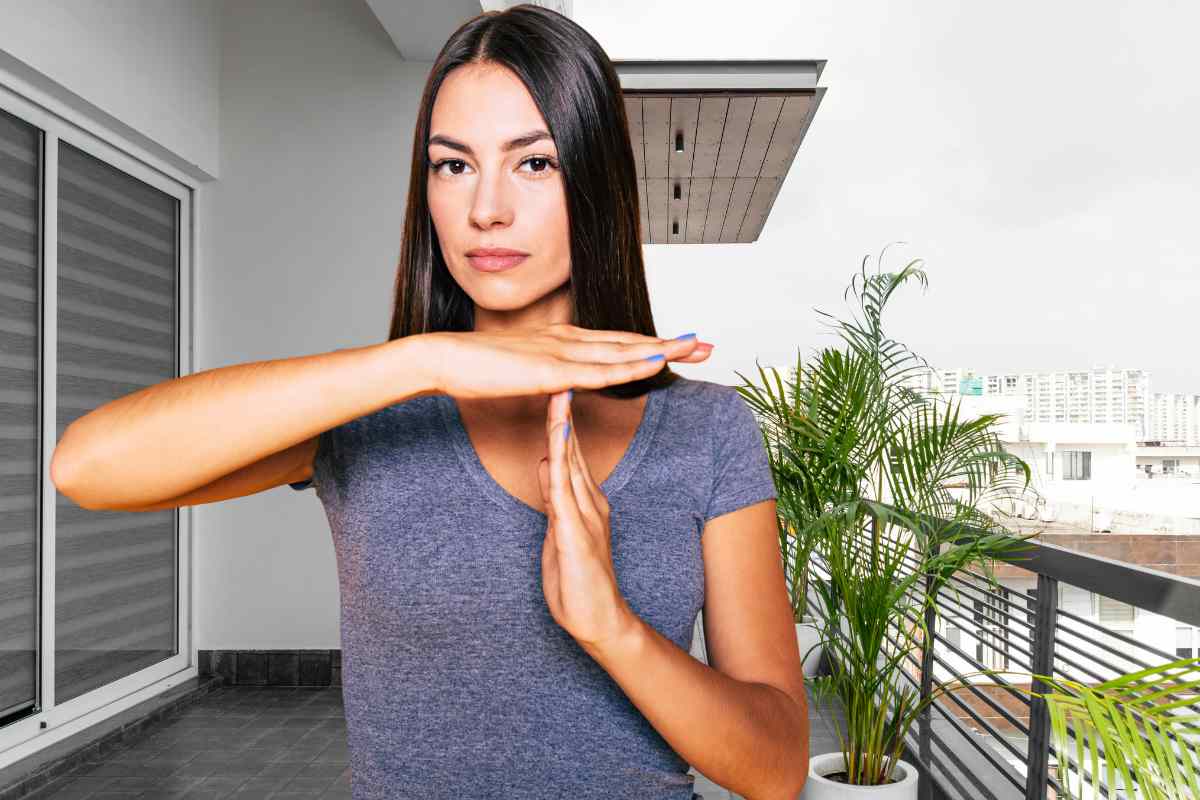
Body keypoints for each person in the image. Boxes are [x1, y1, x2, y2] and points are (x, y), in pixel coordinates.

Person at [50, 5, 809, 799]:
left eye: (535, 163)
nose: (487, 208)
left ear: (598, 177)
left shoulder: (707, 430)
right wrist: (426, 359)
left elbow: (777, 766)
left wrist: (612, 630)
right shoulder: (376, 414)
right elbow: (87, 466)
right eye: (453, 165)